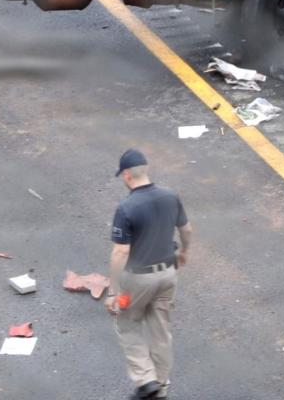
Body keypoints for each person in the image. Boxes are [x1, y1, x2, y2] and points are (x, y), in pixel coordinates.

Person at [105, 149, 192, 400]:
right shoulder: (170, 196)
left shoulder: (127, 207)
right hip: (168, 274)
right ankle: (161, 388)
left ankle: (146, 380)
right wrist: (184, 251)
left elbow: (121, 251)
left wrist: (113, 291)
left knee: (125, 321)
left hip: (137, 280)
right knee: (160, 331)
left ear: (127, 175)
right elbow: (186, 229)